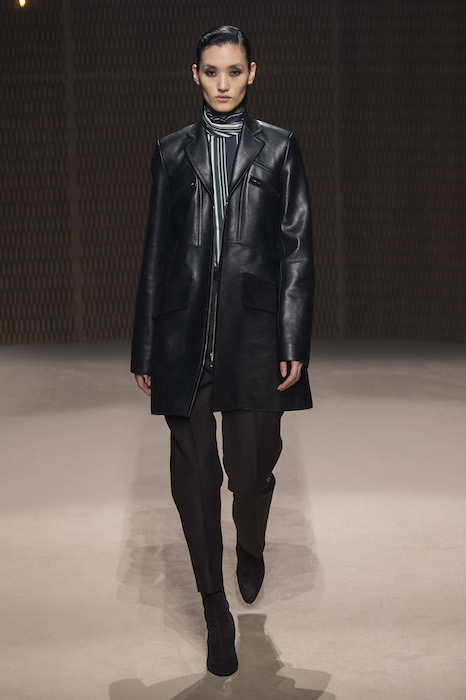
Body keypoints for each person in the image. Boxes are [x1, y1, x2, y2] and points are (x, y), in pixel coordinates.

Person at [131, 25, 314, 677]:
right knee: (195, 477)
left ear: (252, 72)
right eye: (212, 72)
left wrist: (293, 336)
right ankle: (215, 608)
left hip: (256, 332)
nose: (223, 83)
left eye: (234, 71)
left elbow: (296, 249)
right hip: (184, 333)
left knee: (250, 470)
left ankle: (252, 538)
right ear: (195, 75)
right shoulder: (171, 152)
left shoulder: (280, 148)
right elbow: (156, 250)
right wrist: (145, 345)